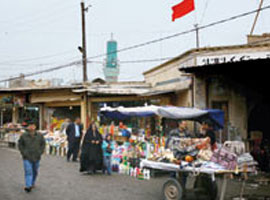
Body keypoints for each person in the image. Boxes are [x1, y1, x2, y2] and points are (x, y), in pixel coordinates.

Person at [18, 123, 45, 193]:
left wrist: (40, 152)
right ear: (28, 127)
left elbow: (43, 144)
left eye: (33, 125)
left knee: (35, 171)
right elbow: (20, 144)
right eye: (30, 126)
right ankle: (28, 185)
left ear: (35, 127)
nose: (31, 127)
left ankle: (32, 182)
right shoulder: (24, 136)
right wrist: (23, 152)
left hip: (36, 156)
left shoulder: (39, 135)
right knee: (28, 171)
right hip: (27, 156)